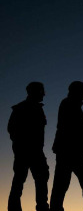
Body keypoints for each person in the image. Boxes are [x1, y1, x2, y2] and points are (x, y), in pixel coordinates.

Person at [50, 81, 83, 211]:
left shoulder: (72, 105)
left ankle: (57, 207)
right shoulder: (69, 104)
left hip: (71, 151)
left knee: (64, 182)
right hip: (70, 151)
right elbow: (69, 128)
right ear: (77, 91)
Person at [7, 82, 49, 211]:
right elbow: (12, 129)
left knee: (40, 178)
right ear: (35, 92)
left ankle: (42, 206)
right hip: (26, 151)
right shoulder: (21, 108)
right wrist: (22, 146)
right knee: (20, 179)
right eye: (42, 91)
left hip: (35, 150)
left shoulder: (37, 108)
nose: (44, 94)